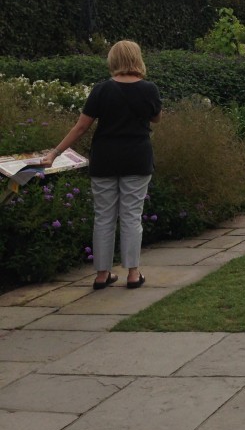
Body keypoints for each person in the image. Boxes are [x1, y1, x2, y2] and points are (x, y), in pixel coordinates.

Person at [41, 40, 162, 290]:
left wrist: (54, 153)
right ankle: (132, 273)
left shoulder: (101, 90)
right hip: (137, 158)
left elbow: (81, 127)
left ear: (113, 60)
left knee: (104, 217)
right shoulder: (149, 89)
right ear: (137, 59)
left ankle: (101, 274)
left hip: (105, 158)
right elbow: (156, 118)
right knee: (131, 215)